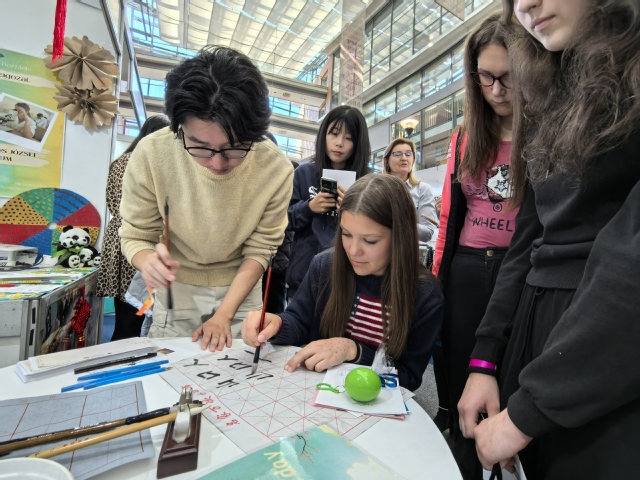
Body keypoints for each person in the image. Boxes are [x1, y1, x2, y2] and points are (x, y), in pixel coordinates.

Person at [457, 1, 640, 478]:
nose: (525, 6)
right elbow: (528, 241)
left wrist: (530, 408)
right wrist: (484, 359)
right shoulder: (549, 92)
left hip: (602, 351)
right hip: (534, 330)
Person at [119, 46, 294, 352]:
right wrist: (147, 261)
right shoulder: (151, 154)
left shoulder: (275, 168)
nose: (217, 163)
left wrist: (224, 314)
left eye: (234, 147)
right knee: (172, 369)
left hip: (242, 287)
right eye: (200, 146)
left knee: (239, 371)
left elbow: (261, 248)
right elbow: (136, 234)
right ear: (178, 127)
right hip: (177, 287)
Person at [242, 174, 444, 391]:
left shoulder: (426, 294)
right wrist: (276, 324)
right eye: (346, 234)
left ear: (401, 237)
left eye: (370, 241)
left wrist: (354, 351)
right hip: (317, 389)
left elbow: (409, 377)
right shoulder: (325, 265)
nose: (353, 250)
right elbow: (299, 321)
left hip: (377, 400)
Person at [430, 13, 518, 478]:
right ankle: (464, 464)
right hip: (465, 269)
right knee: (465, 378)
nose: (498, 90)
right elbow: (449, 216)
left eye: (509, 77)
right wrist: (436, 280)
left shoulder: (545, 132)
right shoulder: (465, 136)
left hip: (517, 269)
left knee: (511, 379)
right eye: (487, 77)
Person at [96, 115, 170, 341]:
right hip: (137, 239)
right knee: (136, 310)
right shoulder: (145, 161)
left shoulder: (119, 161)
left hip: (116, 238)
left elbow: (113, 201)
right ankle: (125, 354)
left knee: (125, 311)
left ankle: (120, 349)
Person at [286, 105, 371, 300]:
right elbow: (285, 220)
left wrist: (353, 210)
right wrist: (309, 207)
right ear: (323, 134)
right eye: (334, 134)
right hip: (303, 278)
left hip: (348, 278)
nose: (339, 143)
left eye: (349, 138)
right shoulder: (304, 173)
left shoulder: (366, 182)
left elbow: (375, 230)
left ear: (358, 143)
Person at [383, 138, 437, 242]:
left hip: (407, 249)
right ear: (387, 161)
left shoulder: (423, 189)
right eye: (397, 154)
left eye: (408, 154)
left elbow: (427, 233)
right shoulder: (377, 188)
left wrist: (399, 222)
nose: (404, 158)